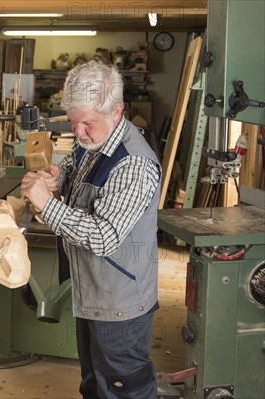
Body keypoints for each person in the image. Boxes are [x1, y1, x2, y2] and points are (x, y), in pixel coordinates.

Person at [21, 61, 161, 399]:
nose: (79, 132)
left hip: (120, 303)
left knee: (123, 388)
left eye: (87, 123)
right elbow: (76, 162)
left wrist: (47, 204)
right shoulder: (95, 142)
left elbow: (103, 237)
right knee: (94, 384)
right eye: (73, 121)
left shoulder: (134, 164)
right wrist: (58, 174)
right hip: (93, 292)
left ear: (117, 112)